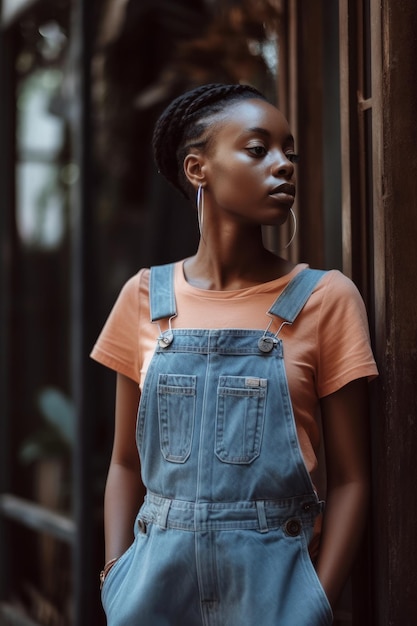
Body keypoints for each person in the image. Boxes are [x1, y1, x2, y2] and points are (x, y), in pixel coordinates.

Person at [91, 83, 378, 626]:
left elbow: (352, 478)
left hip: (277, 597)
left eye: (288, 151)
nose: (284, 165)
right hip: (151, 595)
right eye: (258, 148)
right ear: (198, 168)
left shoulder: (325, 298)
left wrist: (317, 601)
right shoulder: (144, 299)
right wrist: (115, 578)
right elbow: (125, 462)